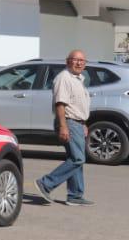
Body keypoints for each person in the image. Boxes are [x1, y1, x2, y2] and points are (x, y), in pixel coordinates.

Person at [35, 50, 93, 206]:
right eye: (75, 60)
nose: (79, 63)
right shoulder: (64, 78)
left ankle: (75, 195)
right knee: (78, 158)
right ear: (68, 61)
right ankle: (46, 183)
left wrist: (83, 124)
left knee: (75, 158)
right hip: (69, 122)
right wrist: (63, 126)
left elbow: (77, 105)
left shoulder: (79, 79)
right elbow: (60, 104)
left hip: (77, 123)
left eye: (82, 60)